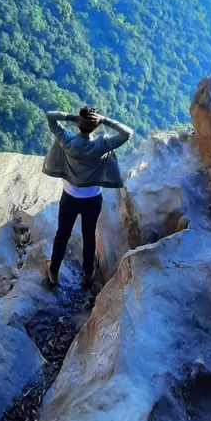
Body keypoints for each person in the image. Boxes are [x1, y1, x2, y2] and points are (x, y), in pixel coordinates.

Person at [42, 105, 133, 286]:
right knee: (89, 235)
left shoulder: (67, 140)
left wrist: (72, 117)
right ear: (96, 125)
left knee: (63, 234)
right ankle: (89, 274)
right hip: (92, 199)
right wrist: (104, 120)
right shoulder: (101, 145)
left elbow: (50, 115)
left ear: (79, 123)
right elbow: (127, 133)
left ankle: (53, 272)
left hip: (70, 197)